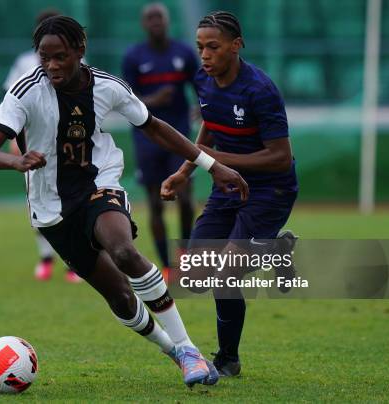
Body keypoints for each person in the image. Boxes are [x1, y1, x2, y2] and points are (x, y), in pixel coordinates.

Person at [0, 15, 249, 387]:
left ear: (79, 51)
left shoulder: (106, 86)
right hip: (51, 209)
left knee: (123, 251)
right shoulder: (25, 91)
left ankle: (189, 350)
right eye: (45, 57)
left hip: (98, 184)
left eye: (61, 57)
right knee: (119, 296)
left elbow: (154, 126)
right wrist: (16, 160)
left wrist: (209, 164)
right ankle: (172, 350)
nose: (52, 66)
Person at [161, 11, 298, 377]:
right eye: (200, 47)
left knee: (226, 275)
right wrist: (184, 170)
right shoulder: (203, 81)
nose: (205, 55)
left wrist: (214, 159)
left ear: (236, 46)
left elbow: (281, 156)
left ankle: (227, 359)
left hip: (271, 189)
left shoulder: (260, 90)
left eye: (214, 47)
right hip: (227, 186)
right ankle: (274, 250)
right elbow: (210, 124)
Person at [4, 9, 81, 283]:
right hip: (34, 146)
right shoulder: (25, 64)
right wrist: (14, 140)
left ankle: (75, 262)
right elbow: (11, 104)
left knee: (74, 204)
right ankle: (46, 257)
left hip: (70, 145)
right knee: (37, 202)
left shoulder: (76, 60)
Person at [122, 3, 198, 276]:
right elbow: (125, 100)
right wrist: (154, 100)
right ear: (144, 24)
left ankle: (185, 252)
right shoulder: (133, 56)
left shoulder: (184, 53)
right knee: (155, 203)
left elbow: (200, 85)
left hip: (179, 136)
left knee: (186, 198)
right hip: (147, 138)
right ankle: (166, 265)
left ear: (168, 22)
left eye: (160, 17)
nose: (156, 22)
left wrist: (202, 107)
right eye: (150, 18)